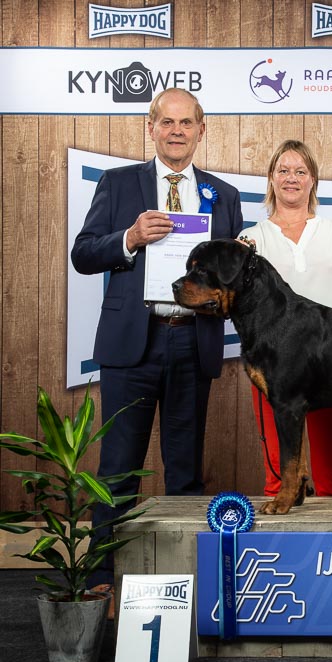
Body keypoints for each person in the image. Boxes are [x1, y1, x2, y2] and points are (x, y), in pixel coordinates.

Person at [71, 88, 243, 594]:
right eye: (167, 122)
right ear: (151, 128)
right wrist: (129, 238)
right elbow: (84, 254)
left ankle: (185, 583)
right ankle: (102, 578)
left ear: (201, 130)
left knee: (186, 472)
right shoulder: (118, 183)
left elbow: (233, 279)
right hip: (132, 344)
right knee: (117, 469)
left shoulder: (223, 195)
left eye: (186, 123)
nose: (176, 131)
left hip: (193, 341)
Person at [244, 139, 332, 498]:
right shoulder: (250, 240)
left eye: (300, 171)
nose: (292, 178)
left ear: (312, 180)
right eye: (283, 170)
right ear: (271, 178)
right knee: (278, 479)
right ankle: (280, 534)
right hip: (274, 366)